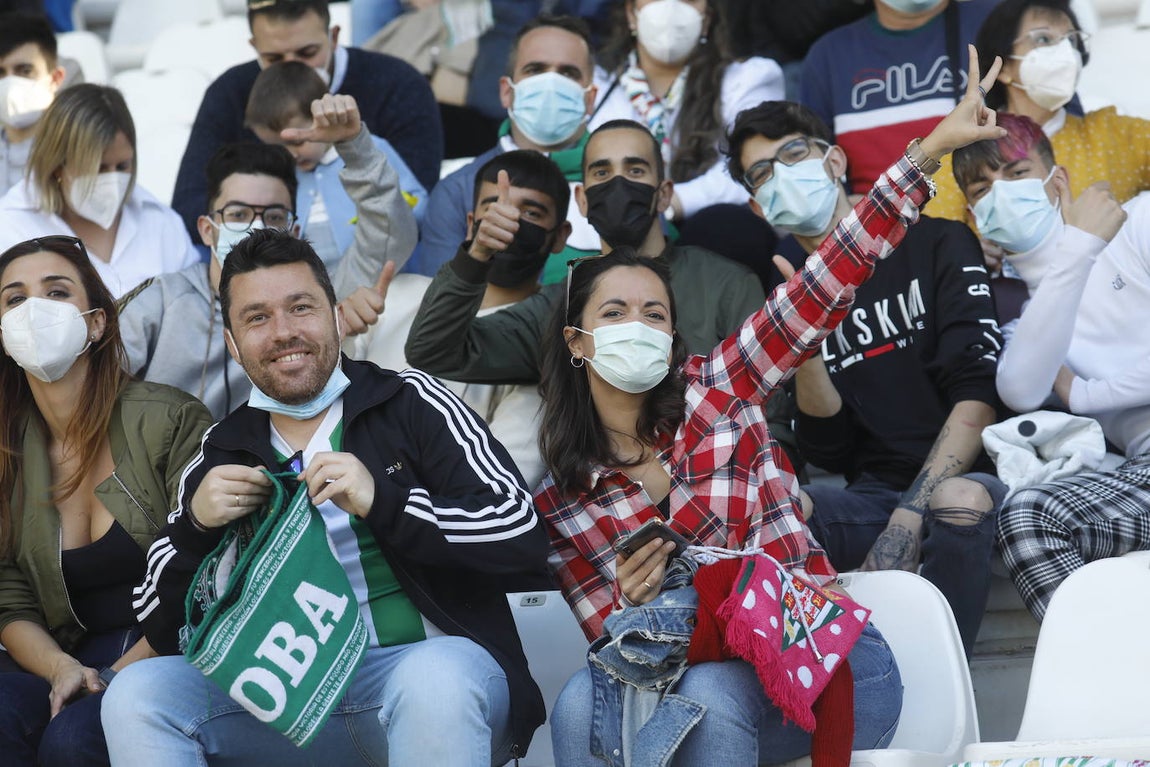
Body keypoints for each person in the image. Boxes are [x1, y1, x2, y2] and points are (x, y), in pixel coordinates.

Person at [538, 51, 1007, 764]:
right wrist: (632, 604)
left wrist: (931, 151)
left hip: (835, 662)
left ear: (674, 335)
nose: (639, 324)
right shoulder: (565, 499)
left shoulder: (717, 388)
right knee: (582, 698)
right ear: (577, 341)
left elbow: (825, 282)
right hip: (695, 677)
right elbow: (627, 655)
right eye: (615, 311)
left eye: (655, 313)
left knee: (714, 693)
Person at [102, 228, 551, 766]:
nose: (284, 332)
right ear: (231, 341)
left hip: (424, 672)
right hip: (283, 698)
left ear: (336, 317)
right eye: (257, 318)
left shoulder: (411, 400)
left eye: (301, 308)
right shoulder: (221, 449)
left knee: (437, 677)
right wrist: (196, 532)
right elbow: (158, 623)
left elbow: (521, 531)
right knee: (139, 695)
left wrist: (385, 500)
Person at [726, 98, 1007, 656]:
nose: (782, 176)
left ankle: (942, 679)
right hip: (872, 491)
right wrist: (804, 350)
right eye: (763, 173)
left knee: (957, 499)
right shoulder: (790, 293)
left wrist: (908, 517)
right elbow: (829, 448)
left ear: (833, 162)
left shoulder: (939, 242)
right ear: (758, 207)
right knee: (779, 506)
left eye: (793, 155)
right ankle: (834, 681)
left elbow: (978, 394)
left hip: (972, 472)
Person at [404, 119, 807, 470]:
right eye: (601, 172)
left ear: (663, 193)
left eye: (635, 169)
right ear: (581, 200)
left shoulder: (725, 283)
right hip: (596, 511)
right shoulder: (557, 304)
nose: (617, 184)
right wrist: (476, 256)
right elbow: (433, 349)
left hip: (723, 493)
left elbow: (769, 415)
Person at [0, 236, 212, 766]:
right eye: (15, 298)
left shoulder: (171, 418)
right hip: (66, 654)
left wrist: (114, 677)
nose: (35, 311)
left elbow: (210, 568)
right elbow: (8, 594)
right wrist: (60, 669)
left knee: (73, 741)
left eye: (56, 292)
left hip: (174, 650)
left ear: (96, 323)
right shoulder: (7, 446)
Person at [950, 113, 1150, 622]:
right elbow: (1019, 388)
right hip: (1143, 472)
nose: (1000, 193)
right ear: (975, 216)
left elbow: (1063, 391)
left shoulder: (1139, 224)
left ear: (1056, 181)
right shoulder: (1023, 326)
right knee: (1027, 517)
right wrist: (1077, 250)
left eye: (1015, 173)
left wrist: (1084, 395)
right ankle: (1116, 687)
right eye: (981, 188)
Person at [118, 94, 417, 420]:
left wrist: (355, 147)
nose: (256, 228)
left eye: (274, 216)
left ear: (295, 230)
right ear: (207, 230)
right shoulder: (163, 298)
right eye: (238, 214)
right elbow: (96, 382)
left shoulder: (324, 295)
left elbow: (390, 235)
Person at [171, 0, 441, 250]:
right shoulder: (230, 93)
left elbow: (413, 200)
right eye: (274, 58)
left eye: (307, 53)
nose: (292, 68)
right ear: (254, 47)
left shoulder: (397, 83)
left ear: (333, 37)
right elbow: (189, 205)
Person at [929, 0, 1150, 226]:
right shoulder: (966, 151)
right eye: (1043, 39)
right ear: (1003, 67)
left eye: (1071, 40)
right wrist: (969, 250)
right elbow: (936, 243)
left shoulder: (1118, 135)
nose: (1065, 52)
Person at [417, 15, 601, 284]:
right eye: (535, 69)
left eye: (567, 73)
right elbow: (437, 306)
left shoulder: (623, 182)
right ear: (506, 91)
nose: (551, 84)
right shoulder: (458, 191)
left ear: (590, 98)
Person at [0, 84, 198, 298]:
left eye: (123, 166)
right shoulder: (11, 227)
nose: (113, 181)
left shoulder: (161, 223)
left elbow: (196, 310)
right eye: (98, 168)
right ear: (57, 165)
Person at [801, 0, 998, 195]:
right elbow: (819, 167)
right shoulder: (827, 56)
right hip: (877, 220)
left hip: (984, 210)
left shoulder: (995, 20)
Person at [245, 60, 428, 270]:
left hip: (376, 273)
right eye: (278, 147)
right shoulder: (283, 174)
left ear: (323, 120)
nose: (290, 155)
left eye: (297, 141)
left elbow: (418, 202)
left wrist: (386, 213)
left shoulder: (367, 150)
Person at [0, 13, 66, 195]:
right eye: (1, 73)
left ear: (55, 78)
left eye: (25, 71)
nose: (10, 83)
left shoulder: (78, 150)